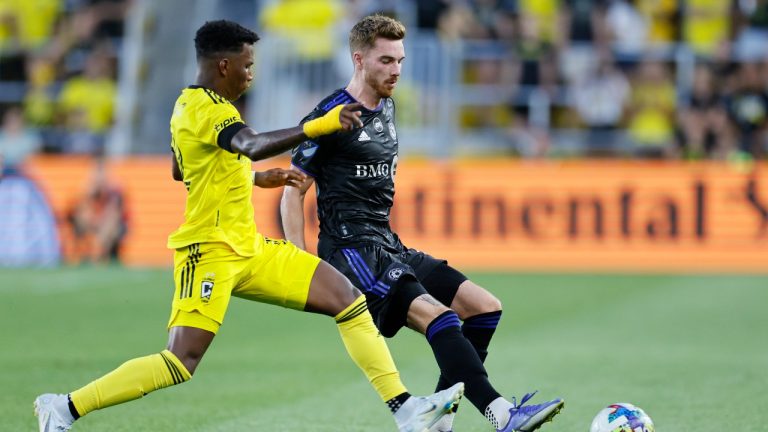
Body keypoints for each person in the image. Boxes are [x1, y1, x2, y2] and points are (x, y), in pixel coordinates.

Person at [33, 19, 464, 432]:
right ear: (224, 66)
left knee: (347, 299)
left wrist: (258, 179)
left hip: (250, 248)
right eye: (247, 65)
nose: (251, 74)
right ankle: (64, 407)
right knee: (180, 362)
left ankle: (405, 410)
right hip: (209, 252)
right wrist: (318, 125)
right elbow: (252, 146)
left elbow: (182, 170)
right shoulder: (204, 108)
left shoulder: (197, 107)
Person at [281, 14, 563, 432]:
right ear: (359, 60)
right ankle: (501, 414)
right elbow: (292, 191)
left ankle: (436, 420)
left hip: (387, 241)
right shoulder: (332, 114)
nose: (396, 70)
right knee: (439, 316)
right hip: (352, 249)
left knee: (484, 309)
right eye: (385, 61)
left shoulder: (389, 104)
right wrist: (299, 260)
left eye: (400, 60)